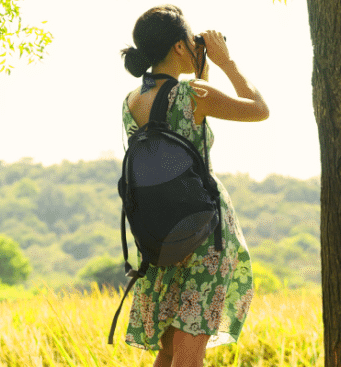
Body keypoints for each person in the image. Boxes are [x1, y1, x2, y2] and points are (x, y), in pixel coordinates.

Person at [118, 5, 268, 367]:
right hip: (205, 233)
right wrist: (227, 63)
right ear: (180, 47)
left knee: (170, 351)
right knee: (189, 354)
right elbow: (258, 109)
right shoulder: (194, 94)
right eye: (190, 39)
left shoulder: (132, 101)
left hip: (160, 235)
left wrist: (201, 73)